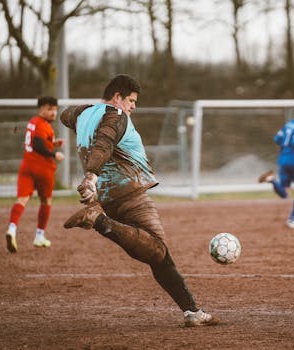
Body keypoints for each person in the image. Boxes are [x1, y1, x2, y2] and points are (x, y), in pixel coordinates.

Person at [60, 74, 217, 327]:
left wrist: (86, 115)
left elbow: (64, 115)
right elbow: (104, 143)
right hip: (129, 194)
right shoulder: (116, 115)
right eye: (131, 100)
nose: (133, 106)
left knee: (157, 256)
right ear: (117, 97)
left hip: (107, 197)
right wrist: (90, 177)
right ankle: (98, 220)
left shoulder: (83, 113)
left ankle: (191, 311)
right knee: (157, 250)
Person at [5, 96, 65, 253]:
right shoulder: (43, 125)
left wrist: (53, 143)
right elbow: (38, 144)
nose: (52, 112)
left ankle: (12, 229)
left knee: (22, 199)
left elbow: (37, 141)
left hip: (26, 166)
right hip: (43, 168)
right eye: (49, 109)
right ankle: (39, 236)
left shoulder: (33, 122)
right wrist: (54, 154)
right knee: (46, 201)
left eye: (54, 109)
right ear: (41, 109)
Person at [258, 99, 294, 229]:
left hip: (283, 158)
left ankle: (271, 180)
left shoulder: (289, 124)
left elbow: (277, 139)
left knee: (285, 192)